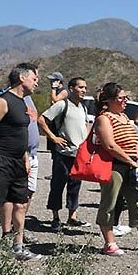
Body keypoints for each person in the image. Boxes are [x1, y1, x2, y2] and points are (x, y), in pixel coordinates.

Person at [0, 63, 41, 261]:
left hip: (18, 161)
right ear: (22, 78)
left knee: (21, 204)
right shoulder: (3, 101)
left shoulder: (23, 103)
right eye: (34, 78)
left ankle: (17, 246)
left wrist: (25, 158)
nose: (37, 82)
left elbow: (20, 134)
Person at [94, 82, 138, 256]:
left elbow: (135, 140)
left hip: (132, 164)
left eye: (126, 98)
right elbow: (110, 145)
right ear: (110, 100)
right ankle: (109, 243)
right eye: (121, 98)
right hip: (113, 165)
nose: (125, 101)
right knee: (110, 202)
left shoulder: (125, 117)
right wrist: (130, 161)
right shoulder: (104, 118)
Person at [38, 76, 90, 228]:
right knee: (58, 185)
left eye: (85, 87)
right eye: (81, 87)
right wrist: (54, 138)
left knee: (75, 186)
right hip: (63, 154)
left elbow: (85, 124)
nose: (84, 90)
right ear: (71, 88)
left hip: (78, 154)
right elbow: (42, 119)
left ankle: (72, 216)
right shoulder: (62, 105)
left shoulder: (83, 107)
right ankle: (55, 218)